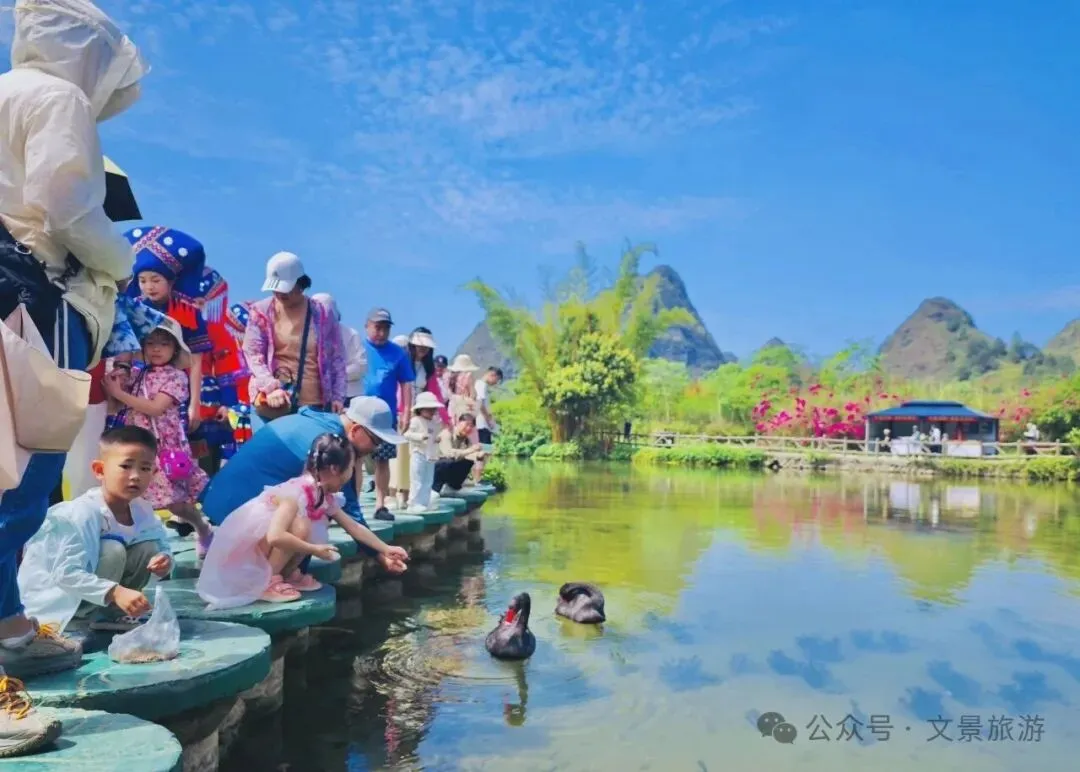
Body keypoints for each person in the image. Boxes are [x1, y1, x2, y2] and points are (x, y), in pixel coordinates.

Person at [0, 0, 148, 695]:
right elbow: (66, 209)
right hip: (35, 302)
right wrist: (121, 261)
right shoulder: (58, 97)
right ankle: (8, 636)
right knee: (24, 476)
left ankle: (10, 621)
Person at [198, 397, 410, 577]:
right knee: (305, 523)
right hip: (233, 515)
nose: (375, 449)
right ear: (355, 430)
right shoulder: (332, 449)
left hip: (223, 503)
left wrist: (382, 551)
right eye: (376, 441)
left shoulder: (321, 424)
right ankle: (270, 579)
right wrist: (379, 555)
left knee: (312, 511)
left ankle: (285, 573)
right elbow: (351, 516)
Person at [197, 434, 409, 609]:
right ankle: (267, 581)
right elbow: (275, 536)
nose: (350, 475)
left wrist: (386, 548)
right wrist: (314, 549)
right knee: (302, 526)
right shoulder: (295, 493)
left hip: (267, 548)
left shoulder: (323, 496)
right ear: (335, 469)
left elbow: (353, 526)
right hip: (249, 555)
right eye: (350, 468)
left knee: (308, 525)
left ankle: (285, 574)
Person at [18, 426, 172, 638]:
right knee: (113, 549)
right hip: (60, 599)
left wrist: (165, 560)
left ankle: (112, 615)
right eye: (126, 466)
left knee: (149, 548)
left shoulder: (142, 510)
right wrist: (115, 591)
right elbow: (65, 573)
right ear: (100, 470)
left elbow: (162, 545)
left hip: (98, 591)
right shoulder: (82, 514)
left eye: (145, 468)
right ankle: (78, 619)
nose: (135, 476)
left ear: (153, 473)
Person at [101, 318, 213, 558]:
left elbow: (155, 408)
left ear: (175, 349)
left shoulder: (176, 377)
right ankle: (143, 544)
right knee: (134, 493)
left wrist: (118, 393)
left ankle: (202, 527)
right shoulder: (138, 374)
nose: (156, 349)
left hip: (164, 447)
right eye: (151, 343)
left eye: (164, 344)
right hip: (138, 445)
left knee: (176, 503)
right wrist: (117, 379)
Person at [123, 226, 212, 434]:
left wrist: (195, 405)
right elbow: (124, 349)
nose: (149, 287)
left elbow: (196, 362)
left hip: (171, 389)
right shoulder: (133, 309)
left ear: (171, 281)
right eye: (142, 281)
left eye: (156, 280)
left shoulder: (188, 312)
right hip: (136, 385)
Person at [244, 253, 345, 425]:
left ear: (300, 283)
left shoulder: (322, 313)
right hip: (272, 404)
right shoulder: (260, 312)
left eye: (285, 288)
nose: (279, 293)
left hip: (315, 407)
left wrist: (338, 396)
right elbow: (254, 355)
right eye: (275, 288)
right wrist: (271, 387)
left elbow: (337, 357)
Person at [361, 309, 415, 521]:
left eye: (385, 328)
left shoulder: (397, 353)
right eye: (377, 327)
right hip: (357, 411)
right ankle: (351, 505)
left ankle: (380, 504)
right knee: (353, 459)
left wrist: (407, 411)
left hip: (385, 414)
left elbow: (406, 383)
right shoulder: (357, 347)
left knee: (382, 460)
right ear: (367, 326)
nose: (381, 332)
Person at [312, 293, 366, 403]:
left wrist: (333, 376)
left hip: (349, 395)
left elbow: (361, 366)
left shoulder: (351, 334)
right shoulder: (307, 336)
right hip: (316, 396)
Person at [404, 392, 443, 512]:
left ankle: (424, 503)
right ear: (420, 409)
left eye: (433, 409)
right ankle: (413, 503)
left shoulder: (434, 423)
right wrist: (420, 437)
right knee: (417, 479)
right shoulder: (416, 420)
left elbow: (434, 435)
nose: (432, 412)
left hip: (430, 454)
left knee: (428, 480)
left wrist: (436, 439)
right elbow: (407, 434)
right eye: (428, 409)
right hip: (418, 452)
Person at [434, 414, 484, 494]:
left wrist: (478, 456)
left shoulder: (466, 439)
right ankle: (435, 489)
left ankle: (452, 487)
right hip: (435, 465)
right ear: (458, 423)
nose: (468, 428)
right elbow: (448, 453)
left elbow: (469, 454)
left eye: (471, 426)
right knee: (447, 462)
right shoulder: (447, 433)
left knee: (468, 462)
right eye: (467, 424)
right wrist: (470, 450)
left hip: (449, 465)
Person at [472, 366, 503, 482]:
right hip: (482, 424)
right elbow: (480, 404)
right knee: (483, 452)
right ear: (492, 375)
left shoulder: (481, 385)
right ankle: (477, 480)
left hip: (484, 425)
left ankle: (478, 479)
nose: (495, 383)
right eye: (497, 380)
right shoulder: (481, 385)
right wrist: (488, 419)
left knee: (486, 451)